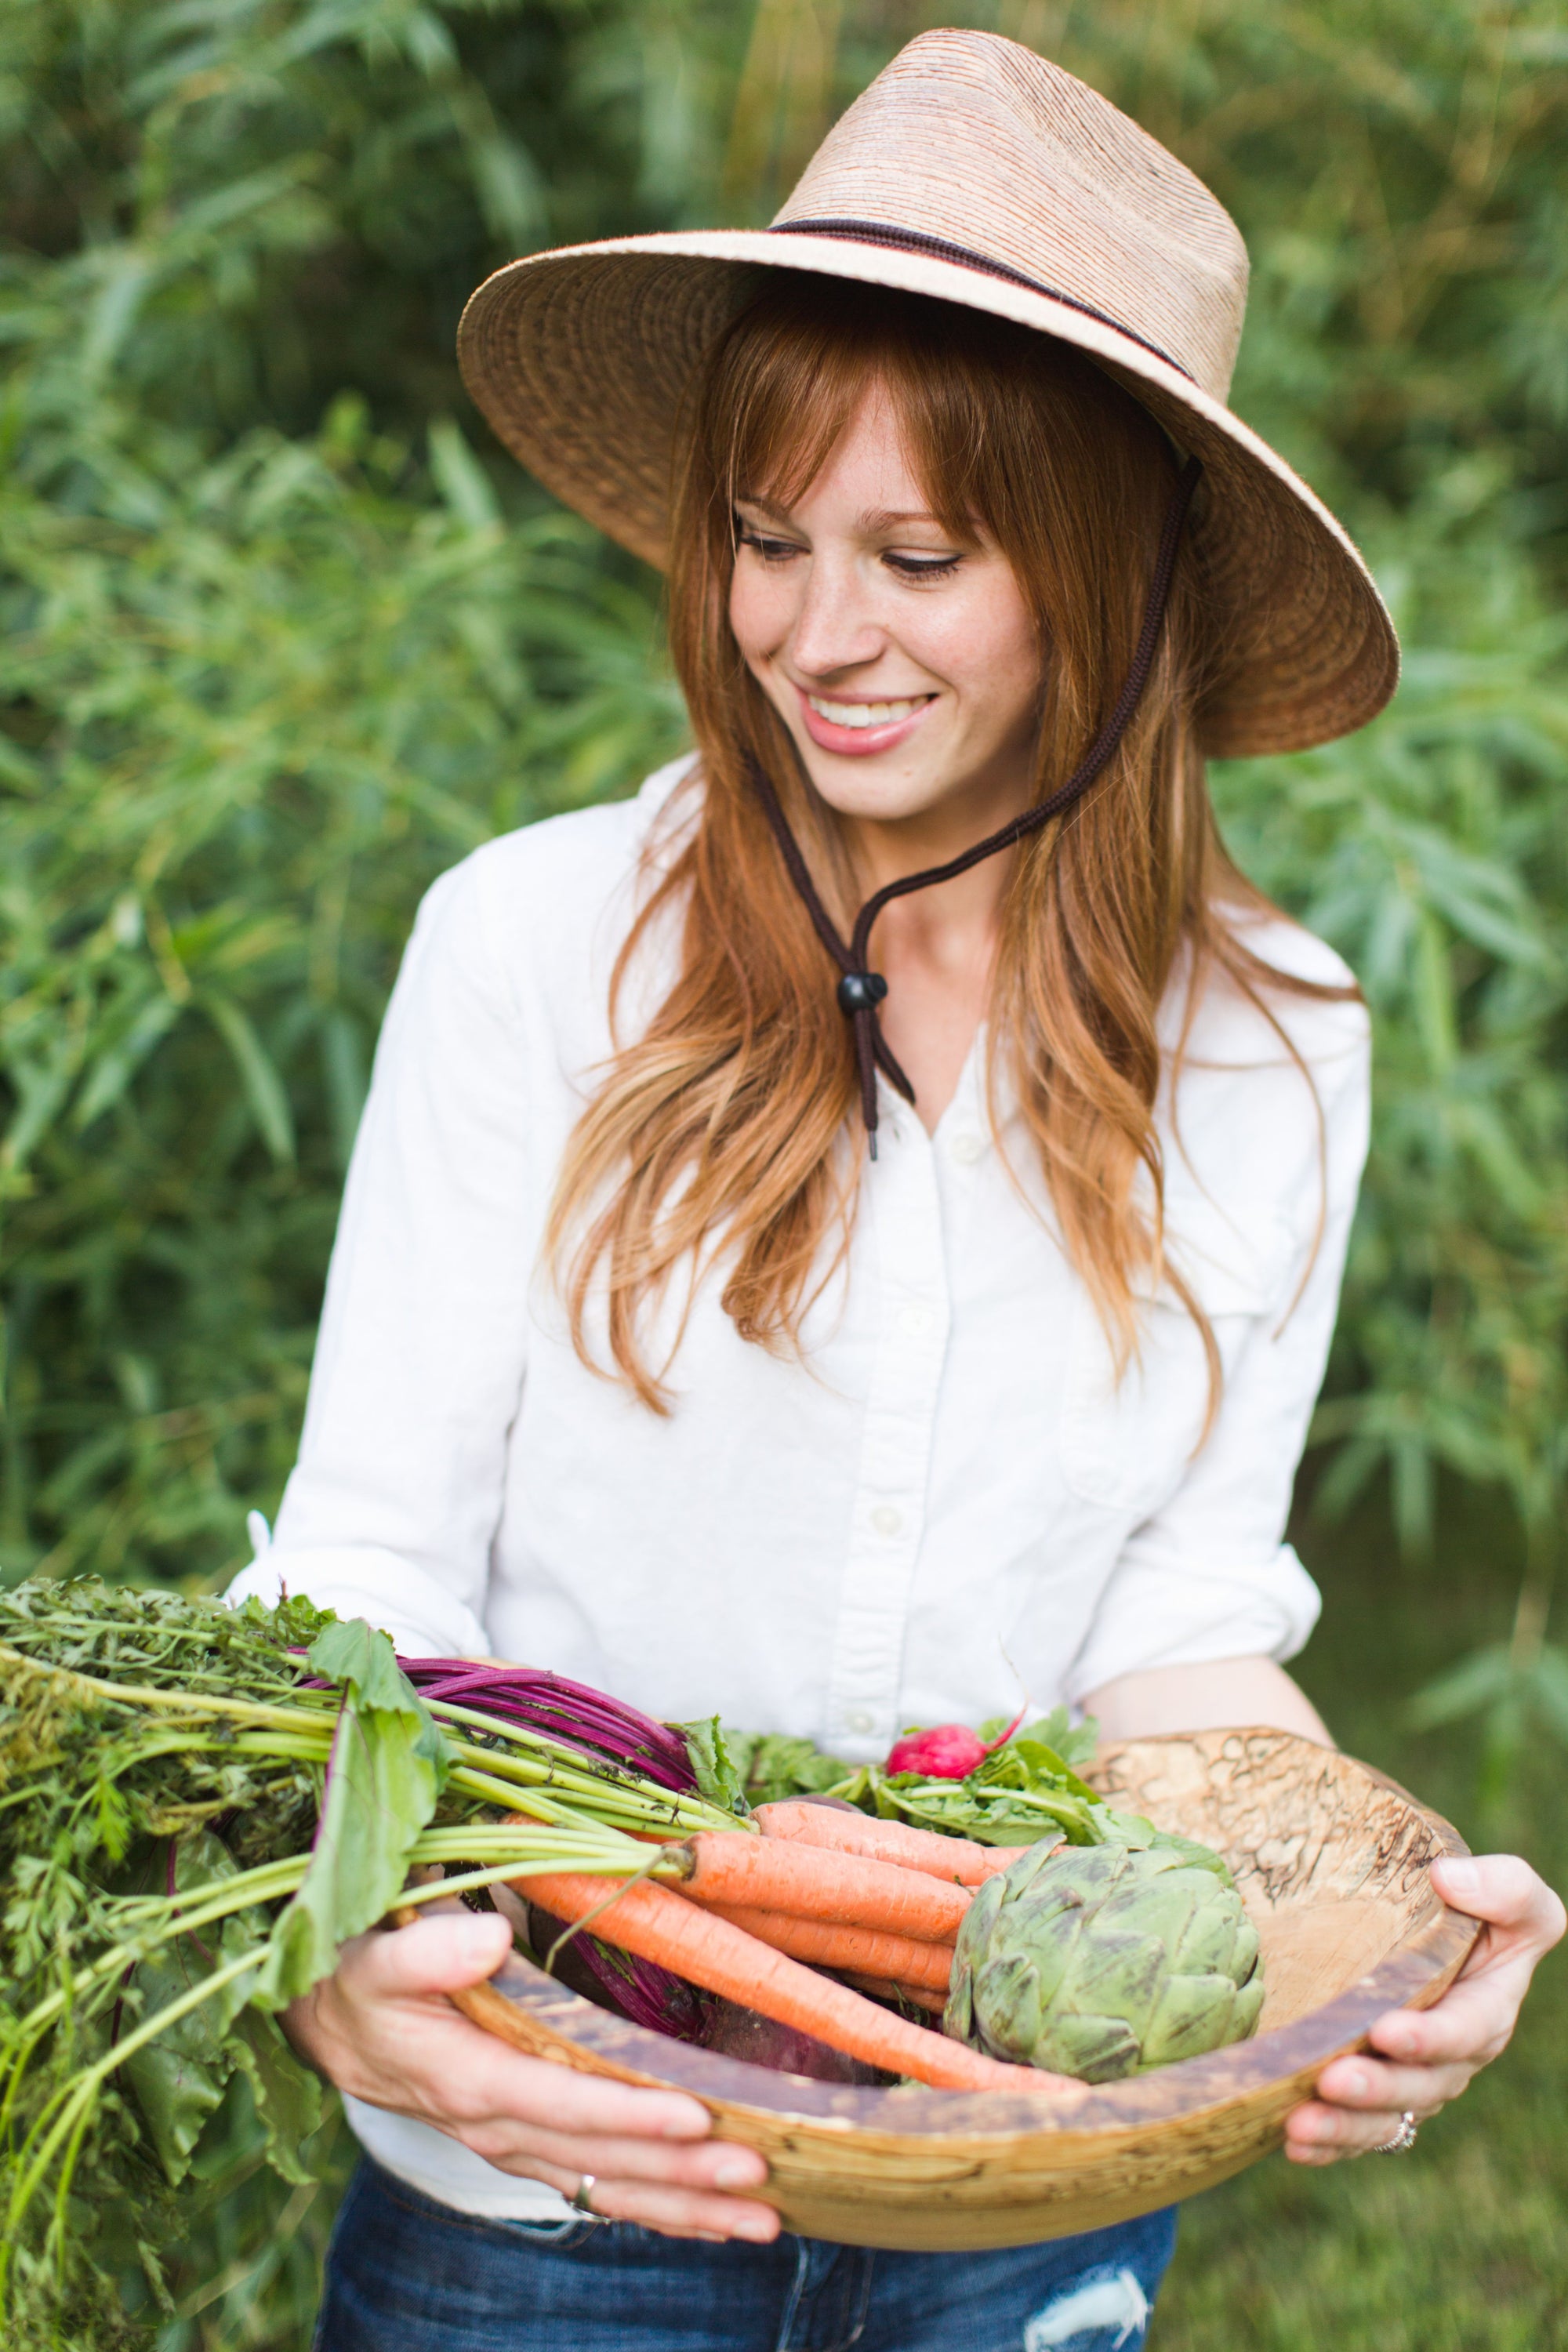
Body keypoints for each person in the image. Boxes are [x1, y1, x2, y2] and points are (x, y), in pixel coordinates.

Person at [228, 29, 1565, 2352]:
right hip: (559, 2147)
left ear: (1109, 576)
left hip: (1022, 2156)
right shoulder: (541, 946)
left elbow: (1172, 1608)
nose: (811, 640)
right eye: (768, 541)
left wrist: (1372, 1899)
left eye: (918, 558)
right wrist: (345, 1932)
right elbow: (371, 1557)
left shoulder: (1278, 1042)